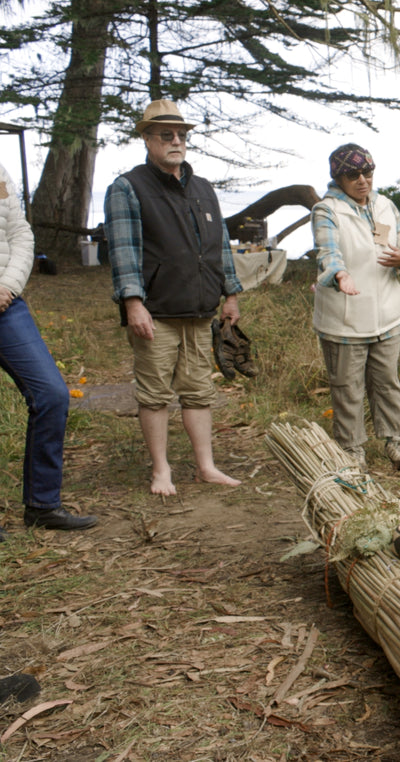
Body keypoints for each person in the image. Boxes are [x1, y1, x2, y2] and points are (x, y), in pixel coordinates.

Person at [104, 99, 243, 496]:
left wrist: (229, 294)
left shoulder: (202, 188)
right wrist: (133, 303)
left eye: (181, 135)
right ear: (146, 138)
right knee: (154, 393)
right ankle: (161, 471)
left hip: (200, 309)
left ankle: (206, 466)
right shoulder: (127, 188)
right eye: (166, 135)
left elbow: (220, 247)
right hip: (156, 311)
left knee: (199, 390)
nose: (176, 141)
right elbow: (124, 252)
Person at [0, 162, 98, 540]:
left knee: (52, 394)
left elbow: (20, 233)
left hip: (7, 305)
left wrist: (8, 285)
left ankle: (42, 505)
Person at [311, 144, 400, 471]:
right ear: (338, 177)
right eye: (353, 175)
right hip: (344, 319)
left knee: (387, 382)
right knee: (348, 388)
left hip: (386, 315)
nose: (362, 180)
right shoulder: (327, 210)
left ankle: (395, 441)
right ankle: (352, 449)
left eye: (368, 172)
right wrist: (340, 275)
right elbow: (327, 253)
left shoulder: (384, 206)